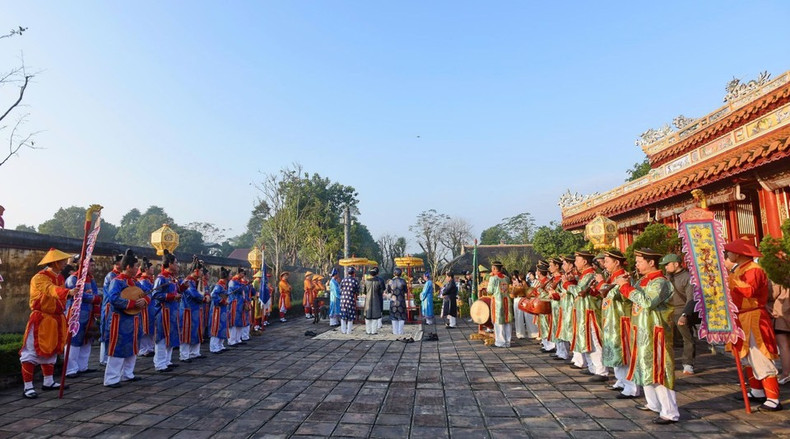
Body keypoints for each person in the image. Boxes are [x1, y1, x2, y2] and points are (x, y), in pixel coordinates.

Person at [615, 248, 679, 424]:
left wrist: (626, 287)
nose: (636, 264)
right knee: (645, 367)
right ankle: (653, 404)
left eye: (640, 261)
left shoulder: (660, 282)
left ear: (651, 262)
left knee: (659, 370)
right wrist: (621, 287)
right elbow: (629, 299)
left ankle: (670, 411)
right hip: (642, 331)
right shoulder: (643, 280)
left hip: (655, 332)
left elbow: (647, 302)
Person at [724, 238, 782, 411]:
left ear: (739, 254)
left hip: (754, 318)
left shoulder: (754, 270)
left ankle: (773, 398)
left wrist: (731, 281)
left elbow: (749, 290)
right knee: (748, 356)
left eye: (730, 251)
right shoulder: (740, 269)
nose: (728, 254)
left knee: (760, 355)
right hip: (742, 317)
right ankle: (757, 390)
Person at [19, 248, 79, 398]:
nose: (66, 263)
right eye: (63, 261)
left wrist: (71, 296)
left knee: (52, 350)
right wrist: (68, 292)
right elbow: (50, 290)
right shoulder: (39, 278)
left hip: (56, 318)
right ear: (56, 263)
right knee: (31, 352)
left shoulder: (59, 278)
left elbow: (59, 295)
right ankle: (28, 387)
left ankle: (48, 381)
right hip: (41, 319)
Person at [103, 249, 149, 387]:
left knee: (133, 346)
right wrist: (133, 303)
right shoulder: (116, 282)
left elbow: (147, 293)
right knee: (118, 347)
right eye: (135, 266)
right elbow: (113, 299)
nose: (137, 269)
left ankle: (128, 374)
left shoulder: (135, 282)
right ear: (128, 267)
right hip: (120, 320)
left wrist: (145, 300)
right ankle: (111, 378)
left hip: (134, 319)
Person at [596, 250, 638, 399]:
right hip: (612, 320)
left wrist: (601, 283)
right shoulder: (613, 277)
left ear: (617, 262)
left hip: (621, 320)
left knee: (624, 354)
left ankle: (631, 387)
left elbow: (614, 295)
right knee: (615, 353)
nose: (605, 265)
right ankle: (621, 381)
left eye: (607, 261)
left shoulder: (623, 278)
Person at [567, 251, 607, 382]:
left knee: (594, 340)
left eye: (577, 260)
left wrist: (567, 284)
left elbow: (579, 291)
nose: (575, 263)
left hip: (590, 312)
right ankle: (592, 367)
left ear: (584, 261)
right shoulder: (584, 275)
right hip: (583, 312)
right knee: (587, 340)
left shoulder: (590, 274)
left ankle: (601, 370)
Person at [63, 256, 101, 377]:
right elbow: (77, 295)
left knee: (87, 340)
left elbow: (95, 293)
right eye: (91, 265)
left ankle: (82, 366)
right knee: (74, 340)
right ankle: (70, 370)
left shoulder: (91, 280)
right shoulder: (73, 279)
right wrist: (93, 298)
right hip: (76, 314)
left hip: (89, 313)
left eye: (94, 265)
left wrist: (94, 298)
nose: (93, 268)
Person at [661, 253, 697, 375]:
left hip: (681, 311)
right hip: (669, 311)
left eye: (667, 264)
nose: (665, 267)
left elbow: (691, 298)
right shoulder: (668, 277)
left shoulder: (687, 277)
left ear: (676, 264)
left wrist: (685, 314)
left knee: (687, 338)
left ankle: (688, 364)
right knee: (666, 339)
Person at [152, 250, 181, 372]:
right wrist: (171, 297)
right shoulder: (161, 278)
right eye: (175, 263)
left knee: (171, 336)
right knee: (162, 338)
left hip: (173, 310)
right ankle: (159, 363)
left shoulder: (172, 278)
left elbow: (177, 291)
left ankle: (167, 361)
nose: (177, 265)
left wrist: (183, 288)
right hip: (163, 312)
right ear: (169, 264)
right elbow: (155, 294)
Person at [179, 257, 205, 362]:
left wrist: (206, 295)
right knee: (186, 332)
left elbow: (204, 291)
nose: (202, 273)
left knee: (196, 331)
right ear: (196, 271)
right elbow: (194, 294)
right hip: (187, 310)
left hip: (196, 310)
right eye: (202, 270)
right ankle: (184, 355)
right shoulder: (188, 281)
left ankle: (195, 352)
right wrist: (203, 298)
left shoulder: (198, 281)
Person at [100, 254, 123, 366]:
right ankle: (104, 357)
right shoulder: (112, 276)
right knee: (107, 331)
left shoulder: (120, 276)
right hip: (109, 306)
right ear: (118, 264)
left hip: (116, 307)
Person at [488, 261, 512, 348]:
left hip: (498, 301)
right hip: (507, 300)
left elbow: (489, 291)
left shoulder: (493, 278)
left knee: (499, 321)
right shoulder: (506, 278)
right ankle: (507, 341)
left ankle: (500, 342)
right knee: (507, 321)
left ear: (494, 268)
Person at [770, 283, 790, 384]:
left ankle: (786, 373)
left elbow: (773, 292)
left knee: (783, 346)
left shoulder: (779, 272)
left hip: (782, 311)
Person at [136, 258, 156, 357]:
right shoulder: (143, 281)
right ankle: (143, 349)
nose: (153, 269)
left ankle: (150, 347)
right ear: (146, 269)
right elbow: (146, 293)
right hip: (146, 307)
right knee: (145, 328)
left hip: (152, 307)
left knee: (151, 328)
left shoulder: (150, 280)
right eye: (151, 268)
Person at [210, 268, 231, 353]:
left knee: (223, 327)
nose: (231, 276)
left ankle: (220, 345)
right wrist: (222, 301)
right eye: (230, 274)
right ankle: (214, 347)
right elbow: (213, 295)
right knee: (217, 327)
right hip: (218, 309)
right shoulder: (219, 285)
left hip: (223, 309)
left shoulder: (224, 285)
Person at [361, 266, 385, 335]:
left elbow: (364, 292)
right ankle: (374, 331)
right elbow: (381, 292)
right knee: (375, 316)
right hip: (376, 299)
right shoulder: (379, 281)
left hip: (368, 300)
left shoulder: (366, 281)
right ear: (376, 274)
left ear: (370, 274)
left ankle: (368, 330)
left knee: (368, 316)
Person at [227, 268, 246, 346]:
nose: (243, 275)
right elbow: (234, 290)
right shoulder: (232, 281)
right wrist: (242, 286)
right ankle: (231, 340)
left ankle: (238, 339)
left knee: (239, 322)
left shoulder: (239, 281)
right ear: (238, 273)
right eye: (242, 273)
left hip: (240, 303)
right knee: (233, 322)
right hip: (234, 303)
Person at [387, 268, 408, 335]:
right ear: (401, 274)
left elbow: (389, 291)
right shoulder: (403, 281)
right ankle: (400, 331)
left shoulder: (390, 281)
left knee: (393, 317)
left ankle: (395, 331)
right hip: (401, 300)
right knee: (401, 316)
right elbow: (406, 291)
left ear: (394, 273)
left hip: (393, 301)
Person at [339, 267, 360, 334]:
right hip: (350, 299)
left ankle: (343, 330)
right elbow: (357, 292)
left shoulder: (343, 280)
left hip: (343, 299)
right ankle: (349, 331)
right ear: (354, 273)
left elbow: (340, 289)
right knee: (350, 315)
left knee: (343, 315)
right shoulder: (355, 281)